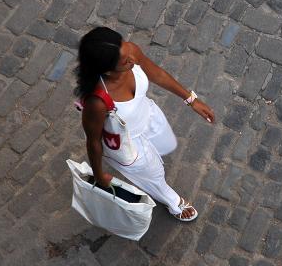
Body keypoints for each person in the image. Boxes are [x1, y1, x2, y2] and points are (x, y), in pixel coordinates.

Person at [75, 27, 215, 221]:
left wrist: (191, 100)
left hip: (148, 119)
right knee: (153, 174)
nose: (132, 59)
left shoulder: (129, 51)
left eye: (126, 49)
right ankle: (170, 199)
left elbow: (156, 74)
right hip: (129, 142)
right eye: (125, 61)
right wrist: (99, 174)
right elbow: (93, 141)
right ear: (106, 70)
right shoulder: (96, 102)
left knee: (164, 148)